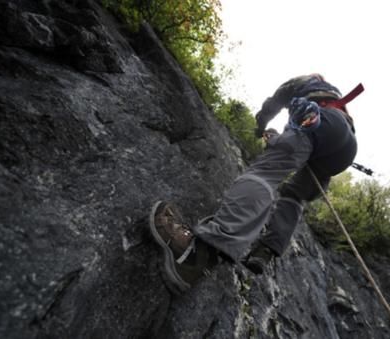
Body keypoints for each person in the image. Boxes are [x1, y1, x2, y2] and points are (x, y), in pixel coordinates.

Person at [149, 74, 363, 294]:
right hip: (344, 149)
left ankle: (199, 252)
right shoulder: (332, 93)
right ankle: (266, 251)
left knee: (264, 174)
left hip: (318, 122)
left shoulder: (309, 81)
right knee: (294, 196)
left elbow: (277, 99)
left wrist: (260, 124)